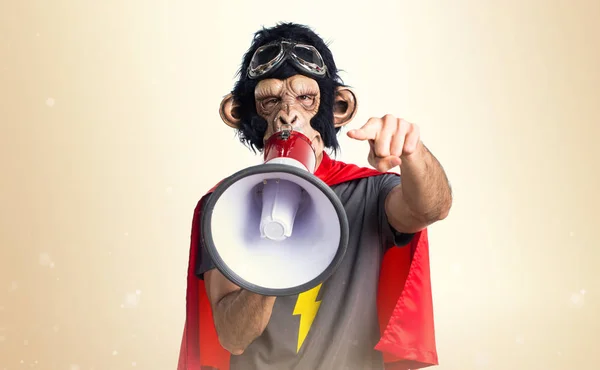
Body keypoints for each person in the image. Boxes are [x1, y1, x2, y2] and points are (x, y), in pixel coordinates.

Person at [178, 22, 452, 370]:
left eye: (305, 98)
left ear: (338, 108)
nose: (287, 114)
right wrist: (273, 256)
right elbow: (233, 337)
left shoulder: (369, 192)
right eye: (269, 100)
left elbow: (432, 207)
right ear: (241, 115)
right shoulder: (223, 207)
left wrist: (413, 152)